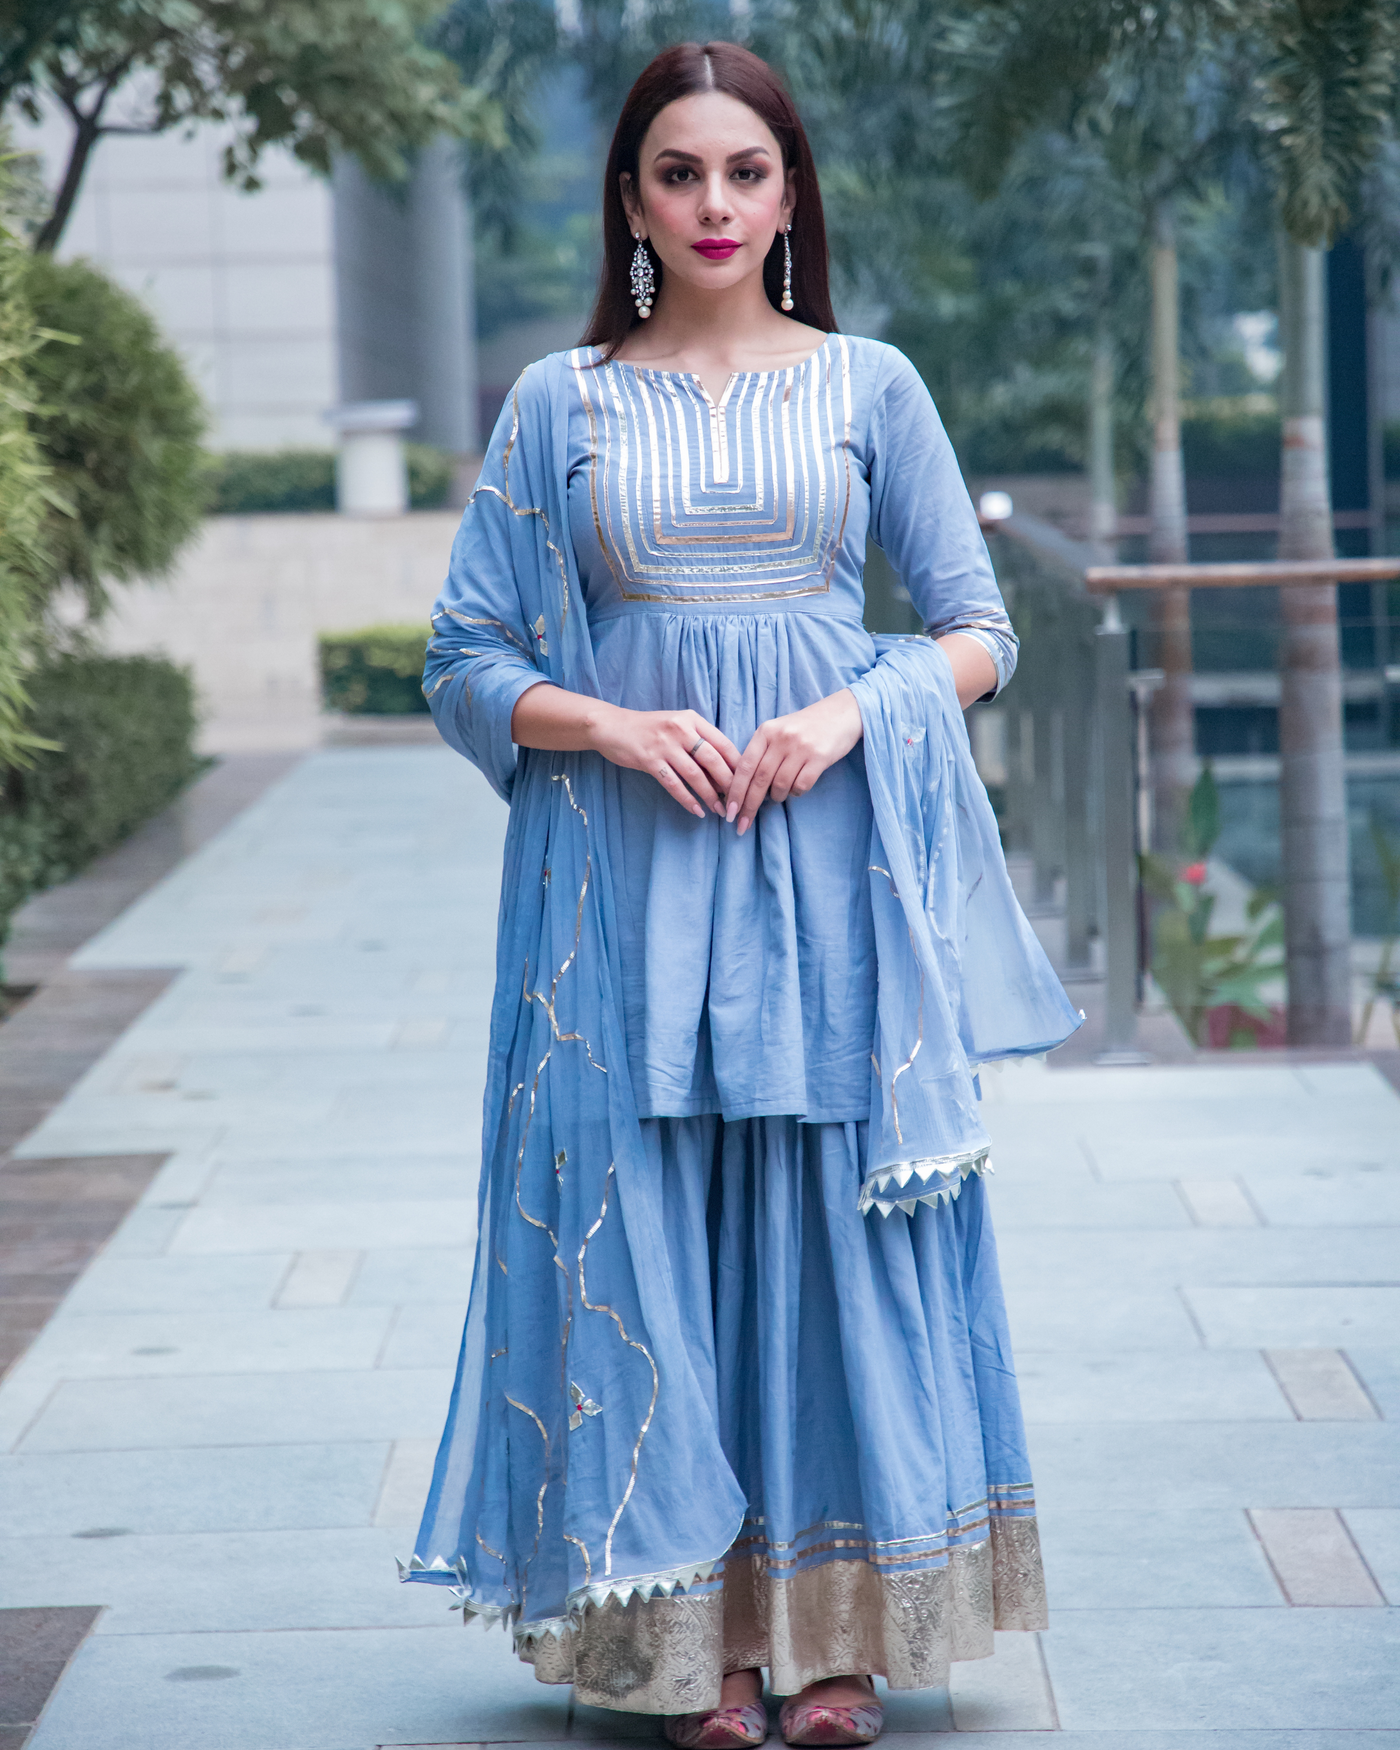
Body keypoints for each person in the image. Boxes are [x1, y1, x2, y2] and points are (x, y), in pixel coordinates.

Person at [404, 39, 1079, 1750]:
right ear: (630, 200)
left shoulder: (871, 386)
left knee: (820, 1222)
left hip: (830, 864)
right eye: (679, 173)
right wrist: (614, 724)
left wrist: (855, 707)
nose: (715, 204)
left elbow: (981, 630)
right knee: (656, 1223)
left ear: (791, 195)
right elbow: (464, 657)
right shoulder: (561, 401)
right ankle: (695, 1639)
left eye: (746, 172)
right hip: (622, 875)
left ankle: (834, 1630)